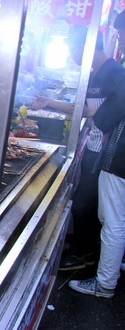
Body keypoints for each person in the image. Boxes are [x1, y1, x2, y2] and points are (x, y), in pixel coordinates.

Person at [32, 27, 107, 271]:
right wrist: (49, 102)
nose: (72, 57)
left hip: (107, 151)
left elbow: (99, 109)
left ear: (85, 48)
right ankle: (81, 245)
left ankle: (83, 254)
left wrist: (90, 112)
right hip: (95, 146)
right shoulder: (95, 74)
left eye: (73, 50)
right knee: (84, 200)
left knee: (85, 203)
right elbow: (80, 106)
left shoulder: (113, 72)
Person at [68, 23, 125, 298]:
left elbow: (108, 112)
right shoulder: (107, 70)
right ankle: (96, 263)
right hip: (107, 150)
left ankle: (99, 277)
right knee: (105, 214)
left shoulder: (116, 71)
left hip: (114, 153)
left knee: (106, 216)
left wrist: (97, 122)